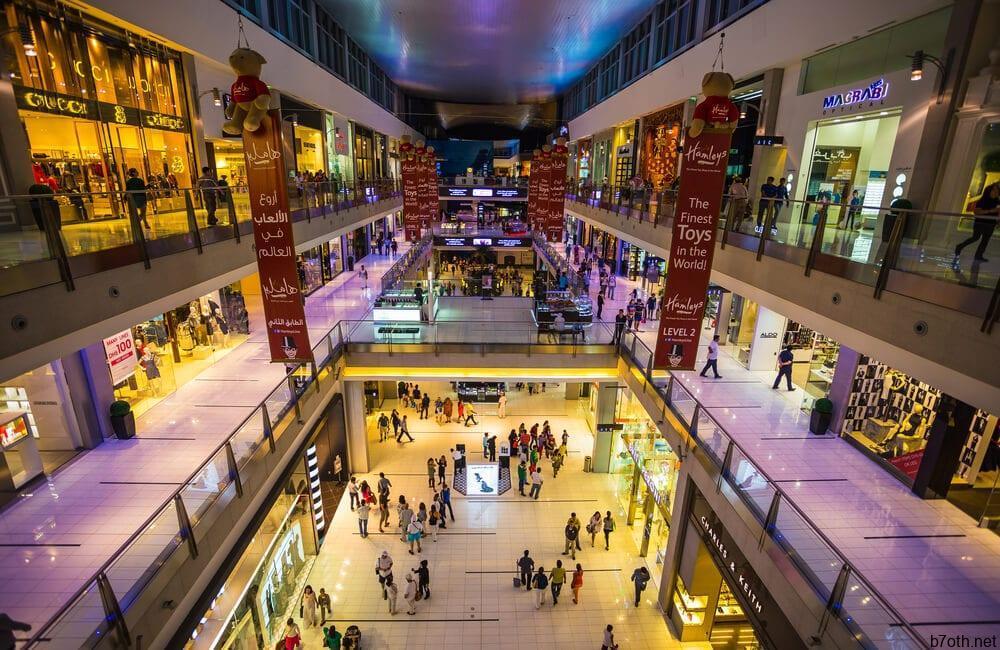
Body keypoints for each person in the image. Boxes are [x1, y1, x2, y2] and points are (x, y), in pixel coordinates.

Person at [954, 182, 999, 265]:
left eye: (997, 191)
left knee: (985, 240)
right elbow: (977, 212)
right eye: (994, 190)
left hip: (991, 224)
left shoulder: (997, 201)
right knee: (975, 237)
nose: (996, 192)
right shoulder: (983, 200)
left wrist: (997, 219)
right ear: (989, 191)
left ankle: (979, 255)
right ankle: (960, 246)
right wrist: (990, 211)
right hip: (981, 223)